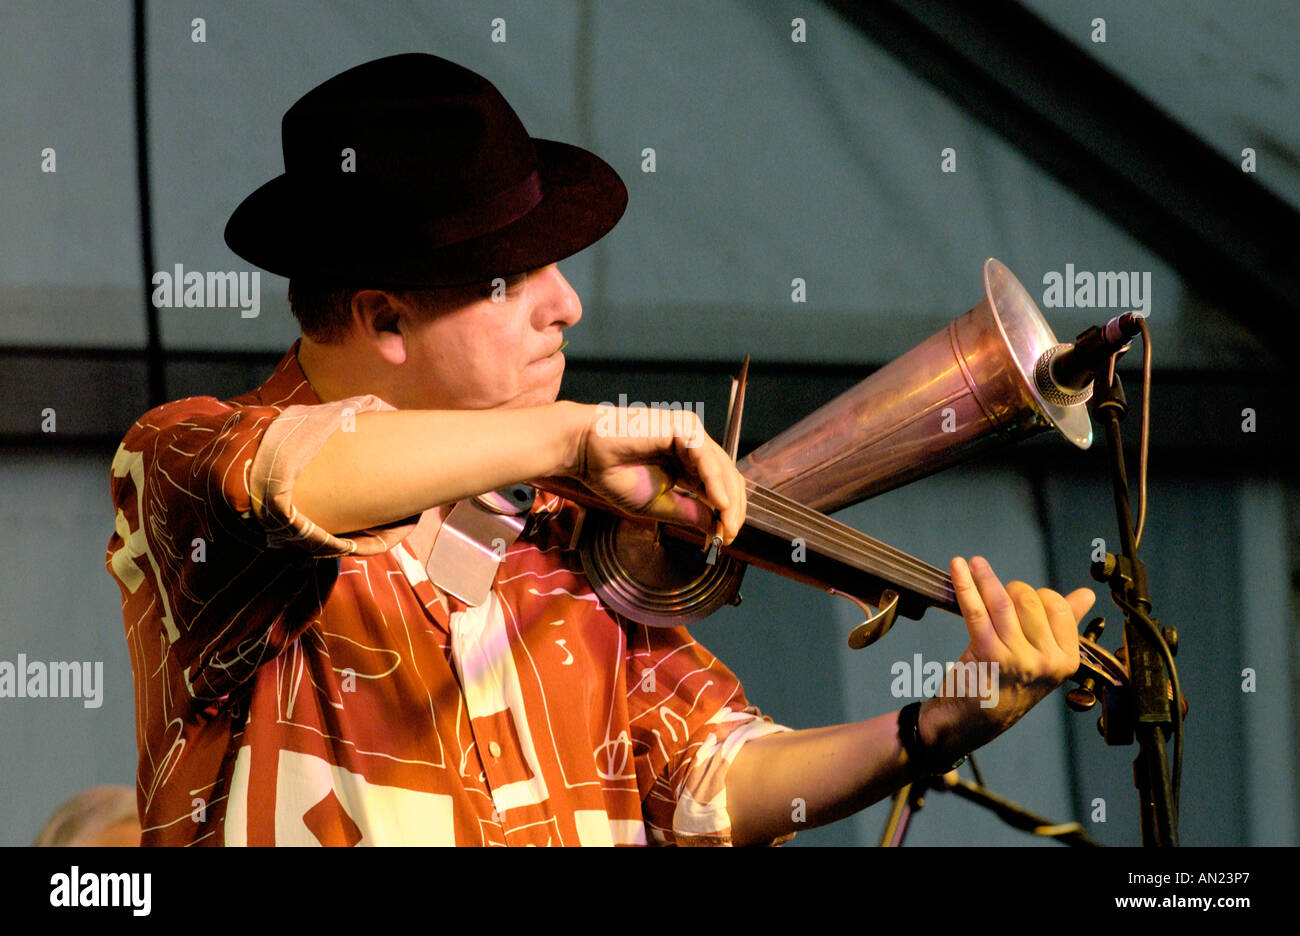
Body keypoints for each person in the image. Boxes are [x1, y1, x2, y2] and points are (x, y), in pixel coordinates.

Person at [106, 53, 1093, 846]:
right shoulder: (184, 466)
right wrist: (572, 432)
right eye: (512, 278)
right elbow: (292, 476)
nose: (566, 305)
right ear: (384, 316)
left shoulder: (567, 527)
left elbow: (704, 778)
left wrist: (938, 722)